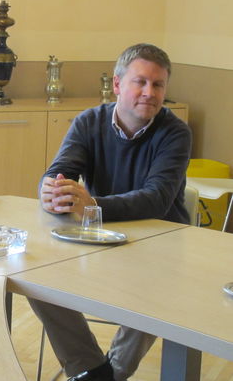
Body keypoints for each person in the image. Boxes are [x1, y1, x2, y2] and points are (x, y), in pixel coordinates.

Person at [33, 44, 192, 381]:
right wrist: (51, 190)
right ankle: (90, 368)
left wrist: (92, 205)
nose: (149, 93)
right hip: (100, 238)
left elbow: (157, 199)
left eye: (158, 85)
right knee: (34, 276)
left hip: (161, 244)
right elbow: (60, 170)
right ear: (118, 85)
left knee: (160, 287)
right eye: (140, 82)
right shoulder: (88, 122)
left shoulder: (176, 133)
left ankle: (109, 375)